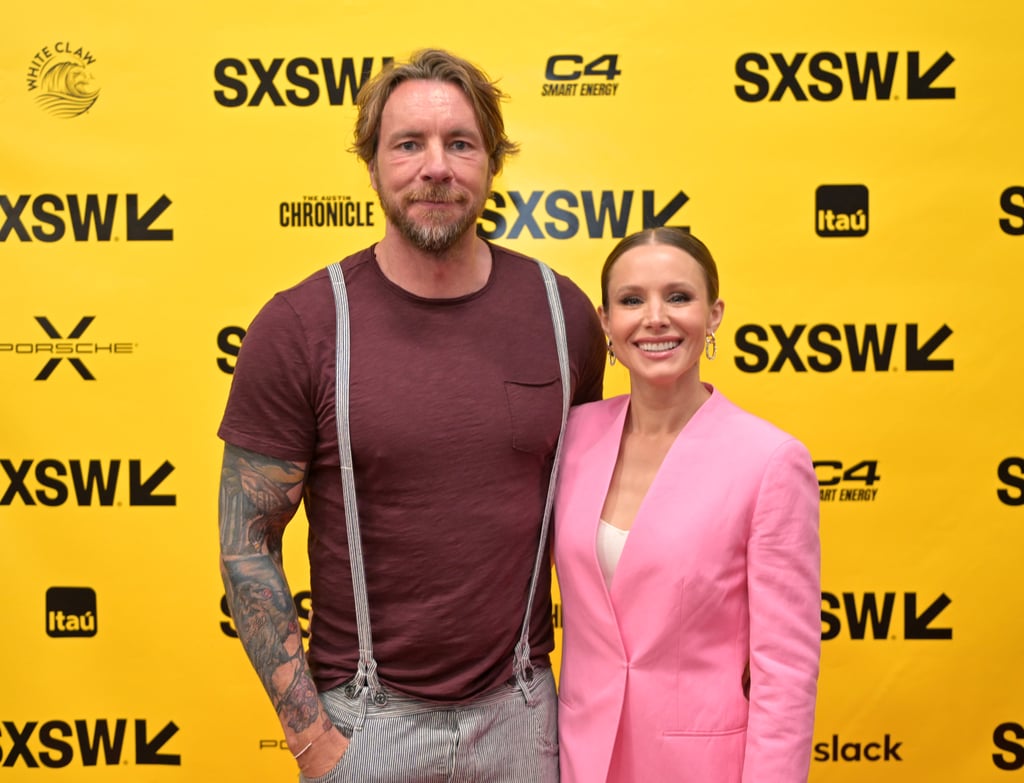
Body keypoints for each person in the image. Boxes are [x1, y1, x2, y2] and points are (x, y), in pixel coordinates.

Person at [217, 48, 606, 782]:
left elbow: (597, 510)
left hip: (525, 717)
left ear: (492, 163)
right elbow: (246, 543)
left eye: (460, 142)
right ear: (372, 165)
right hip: (363, 727)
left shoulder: (563, 315)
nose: (436, 167)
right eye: (408, 144)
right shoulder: (302, 324)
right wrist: (310, 734)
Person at [553, 228, 820, 782]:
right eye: (632, 300)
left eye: (678, 297)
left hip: (701, 766)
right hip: (579, 758)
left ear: (714, 313)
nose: (655, 318)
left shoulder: (769, 460)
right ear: (605, 321)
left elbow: (786, 669)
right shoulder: (571, 438)